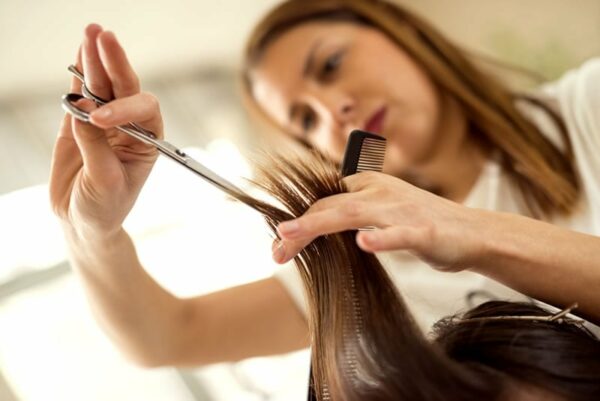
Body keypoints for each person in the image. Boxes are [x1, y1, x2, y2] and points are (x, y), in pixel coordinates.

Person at [49, 0, 600, 370]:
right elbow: (167, 337)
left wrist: (470, 230)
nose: (334, 113)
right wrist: (90, 230)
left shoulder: (588, 106)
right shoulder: (368, 259)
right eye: (305, 121)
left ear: (398, 29)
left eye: (332, 64)